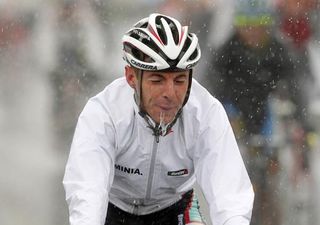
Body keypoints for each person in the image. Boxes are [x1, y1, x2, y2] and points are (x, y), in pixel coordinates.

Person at [63, 13, 254, 225]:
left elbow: (230, 196)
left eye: (180, 80)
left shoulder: (205, 113)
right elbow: (88, 192)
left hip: (174, 207)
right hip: (114, 208)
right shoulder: (103, 113)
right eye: (157, 80)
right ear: (131, 78)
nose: (170, 93)